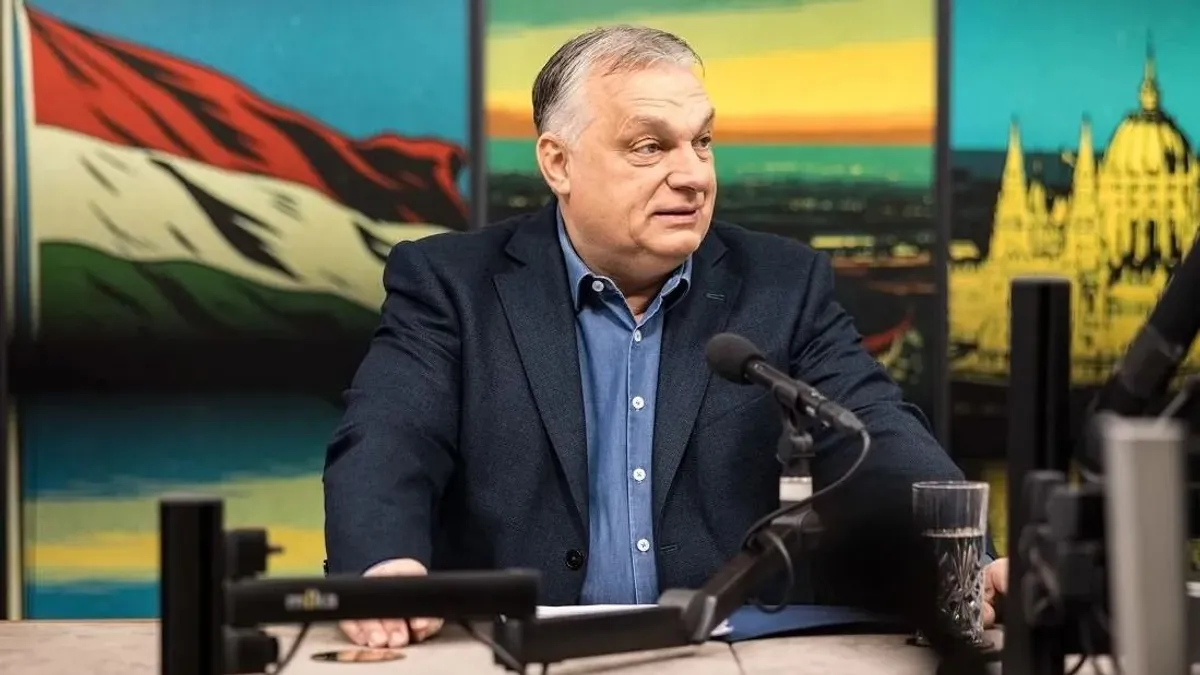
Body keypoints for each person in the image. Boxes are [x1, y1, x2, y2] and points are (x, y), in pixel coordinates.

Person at [323, 24, 1009, 649]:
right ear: (558, 163)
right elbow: (387, 436)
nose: (694, 176)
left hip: (721, 654)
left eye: (702, 142)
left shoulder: (781, 285)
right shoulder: (451, 284)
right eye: (650, 147)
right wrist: (384, 562)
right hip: (518, 652)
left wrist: (963, 561)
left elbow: (876, 436)